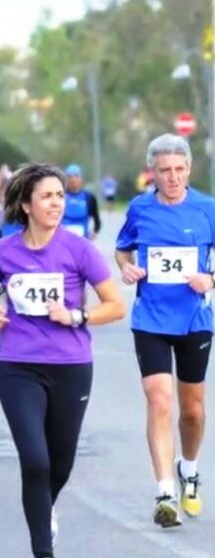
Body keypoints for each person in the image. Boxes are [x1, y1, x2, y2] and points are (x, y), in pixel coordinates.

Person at [0, 163, 124, 558]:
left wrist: (78, 315)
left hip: (72, 366)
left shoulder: (79, 250)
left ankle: (44, 508)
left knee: (60, 464)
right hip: (18, 366)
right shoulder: (2, 252)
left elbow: (115, 305)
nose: (57, 202)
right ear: (26, 204)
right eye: (47, 196)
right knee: (35, 460)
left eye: (60, 195)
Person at [115, 133, 215, 528]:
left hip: (194, 319)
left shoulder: (208, 207)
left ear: (189, 169)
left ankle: (188, 469)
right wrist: (125, 266)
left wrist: (210, 278)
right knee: (159, 400)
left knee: (191, 409)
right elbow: (123, 248)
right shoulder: (140, 208)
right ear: (152, 173)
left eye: (178, 169)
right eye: (164, 171)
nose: (172, 177)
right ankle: (164, 492)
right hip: (151, 319)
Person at [60, 164, 101, 240]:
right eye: (69, 176)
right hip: (63, 240)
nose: (73, 179)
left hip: (83, 240)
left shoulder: (89, 197)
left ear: (81, 178)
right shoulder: (60, 196)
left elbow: (96, 219)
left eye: (76, 176)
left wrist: (94, 232)